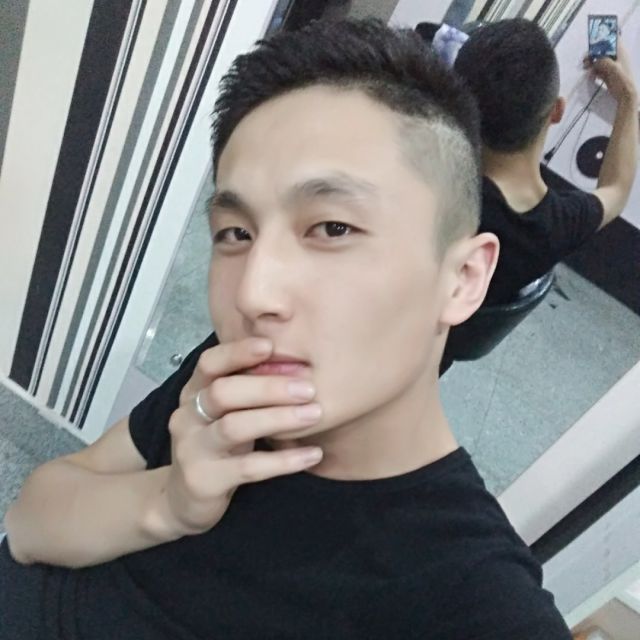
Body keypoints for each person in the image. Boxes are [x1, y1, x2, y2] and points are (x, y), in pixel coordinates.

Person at [1, 19, 573, 639]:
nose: (254, 293)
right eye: (235, 233)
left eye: (332, 227)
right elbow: (30, 523)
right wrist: (168, 503)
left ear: (462, 279)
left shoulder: (481, 602)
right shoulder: (237, 378)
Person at [454, 18, 638, 305]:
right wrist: (628, 98)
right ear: (557, 111)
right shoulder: (557, 226)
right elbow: (617, 188)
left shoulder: (433, 187)